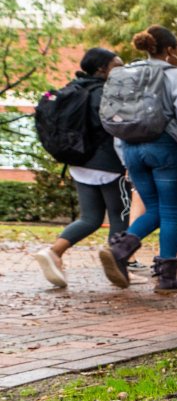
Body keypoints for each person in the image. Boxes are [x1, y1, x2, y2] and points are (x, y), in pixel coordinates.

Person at [99, 25, 177, 294]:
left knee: (155, 209)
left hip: (130, 148)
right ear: (170, 50)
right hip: (164, 149)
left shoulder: (127, 74)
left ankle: (121, 249)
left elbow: (118, 118)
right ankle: (166, 277)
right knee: (172, 211)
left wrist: (125, 159)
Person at [32, 48, 131, 288]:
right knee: (120, 216)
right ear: (102, 69)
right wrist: (127, 163)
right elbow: (115, 132)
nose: (122, 70)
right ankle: (119, 266)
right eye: (117, 66)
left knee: (90, 218)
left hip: (79, 163)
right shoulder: (105, 93)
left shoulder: (73, 89)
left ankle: (54, 252)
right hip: (109, 165)